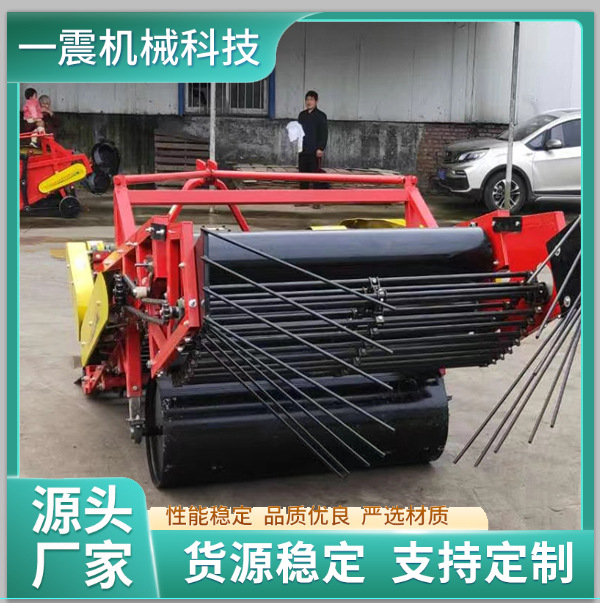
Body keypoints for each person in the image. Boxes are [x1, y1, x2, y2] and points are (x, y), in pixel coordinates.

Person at [297, 90, 328, 189]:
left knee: (315, 177)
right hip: (303, 151)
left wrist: (321, 148)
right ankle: (303, 196)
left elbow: (324, 133)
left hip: (314, 152)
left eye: (311, 99)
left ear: (316, 101)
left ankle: (316, 197)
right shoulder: (302, 115)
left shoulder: (321, 116)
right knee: (302, 177)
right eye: (307, 100)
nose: (308, 102)